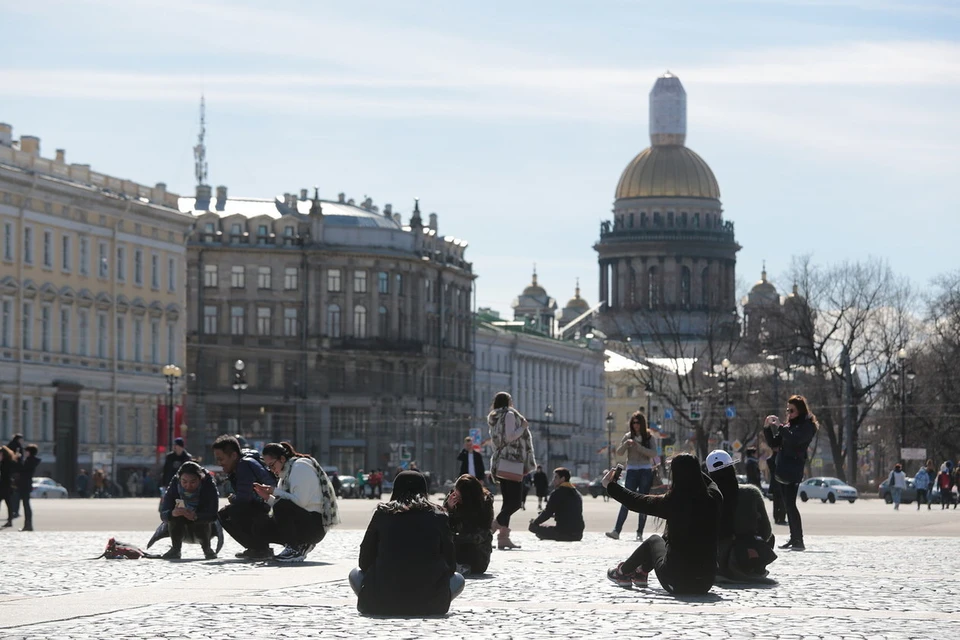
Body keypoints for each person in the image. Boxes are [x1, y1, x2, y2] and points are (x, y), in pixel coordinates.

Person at [604, 453, 723, 594]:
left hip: (676, 582)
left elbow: (635, 501)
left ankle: (622, 572)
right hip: (705, 583)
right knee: (666, 539)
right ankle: (641, 572)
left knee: (655, 540)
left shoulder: (672, 502)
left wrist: (610, 486)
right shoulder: (714, 498)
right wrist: (690, 466)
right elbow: (712, 484)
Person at [349, 471, 464, 616]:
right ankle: (429, 600)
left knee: (354, 574)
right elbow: (451, 564)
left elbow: (364, 561)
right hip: (430, 603)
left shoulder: (382, 514)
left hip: (380, 602)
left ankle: (378, 599)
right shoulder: (438, 516)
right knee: (459, 579)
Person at [255, 442, 340, 563]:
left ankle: (294, 549)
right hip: (304, 520)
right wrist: (267, 497)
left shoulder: (300, 467)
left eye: (272, 465)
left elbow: (299, 502)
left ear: (282, 459)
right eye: (268, 467)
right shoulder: (285, 474)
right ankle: (299, 545)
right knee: (262, 524)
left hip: (315, 525)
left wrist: (275, 491)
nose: (271, 470)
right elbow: (285, 506)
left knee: (281, 506)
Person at [705, 450, 776, 583]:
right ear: (732, 468)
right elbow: (766, 531)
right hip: (748, 554)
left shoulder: (706, 495)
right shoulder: (751, 492)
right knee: (771, 537)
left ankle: (721, 569)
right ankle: (755, 567)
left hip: (717, 556)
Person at [765, 395, 819, 551]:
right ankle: (794, 538)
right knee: (788, 505)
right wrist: (767, 428)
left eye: (792, 410)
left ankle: (798, 540)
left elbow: (796, 440)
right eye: (787, 410)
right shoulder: (789, 425)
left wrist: (781, 427)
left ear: (800, 410)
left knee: (790, 504)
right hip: (782, 467)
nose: (789, 413)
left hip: (794, 468)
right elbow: (774, 444)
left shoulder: (807, 426)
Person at [213, 434, 278, 560]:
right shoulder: (244, 462)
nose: (219, 463)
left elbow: (244, 498)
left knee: (227, 513)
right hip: (264, 506)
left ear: (233, 455)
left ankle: (259, 548)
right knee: (233, 511)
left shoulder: (243, 465)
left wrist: (233, 499)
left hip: (264, 508)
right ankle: (257, 548)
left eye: (221, 459)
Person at [488, 392, 536, 550]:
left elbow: (498, 440)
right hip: (512, 460)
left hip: (502, 461)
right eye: (511, 400)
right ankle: (494, 526)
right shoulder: (508, 415)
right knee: (515, 502)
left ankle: (503, 539)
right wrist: (522, 427)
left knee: (508, 502)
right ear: (507, 402)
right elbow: (509, 437)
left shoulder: (495, 417)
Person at [606, 412, 656, 541]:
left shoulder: (649, 437)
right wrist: (626, 444)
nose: (635, 425)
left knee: (643, 501)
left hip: (645, 469)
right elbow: (619, 452)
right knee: (625, 500)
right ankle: (616, 531)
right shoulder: (628, 436)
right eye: (633, 423)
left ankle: (640, 532)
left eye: (637, 423)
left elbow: (653, 453)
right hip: (632, 469)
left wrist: (637, 446)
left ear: (642, 423)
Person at [159, 461, 219, 559]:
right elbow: (164, 513)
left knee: (204, 520)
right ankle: (176, 549)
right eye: (184, 482)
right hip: (180, 527)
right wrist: (172, 513)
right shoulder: (174, 486)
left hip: (204, 527)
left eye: (193, 482)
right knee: (175, 517)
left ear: (200, 479)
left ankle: (207, 548)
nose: (188, 486)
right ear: (179, 479)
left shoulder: (209, 486)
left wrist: (196, 516)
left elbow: (213, 515)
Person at [443, 474, 495, 575]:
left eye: (459, 496)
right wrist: (449, 509)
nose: (456, 498)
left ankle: (457, 566)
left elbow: (480, 534)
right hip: (457, 545)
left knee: (464, 544)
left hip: (476, 552)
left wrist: (453, 538)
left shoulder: (484, 503)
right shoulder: (452, 498)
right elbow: (444, 525)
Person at [528, 467, 584, 541]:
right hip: (578, 534)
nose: (553, 480)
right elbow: (569, 512)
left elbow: (547, 513)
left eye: (555, 477)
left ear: (563, 479)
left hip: (563, 533)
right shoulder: (576, 493)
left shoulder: (557, 493)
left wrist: (535, 522)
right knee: (543, 531)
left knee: (533, 527)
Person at [762, 427, 787, 525]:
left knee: (776, 502)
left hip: (774, 483)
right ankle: (781, 517)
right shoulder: (778, 459)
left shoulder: (770, 459)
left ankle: (777, 517)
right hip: (780, 482)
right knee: (782, 502)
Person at [17, 444, 40, 532]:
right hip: (26, 484)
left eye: (26, 451)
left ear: (29, 452)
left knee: (26, 505)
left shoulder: (30, 461)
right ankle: (28, 524)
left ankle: (28, 525)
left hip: (25, 484)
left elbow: (22, 469)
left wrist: (19, 459)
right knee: (26, 505)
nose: (25, 453)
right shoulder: (30, 461)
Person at [1, 445, 20, 528]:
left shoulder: (6, 463)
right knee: (9, 504)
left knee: (9, 504)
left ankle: (10, 520)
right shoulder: (8, 462)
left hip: (6, 485)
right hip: (5, 485)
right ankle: (10, 520)